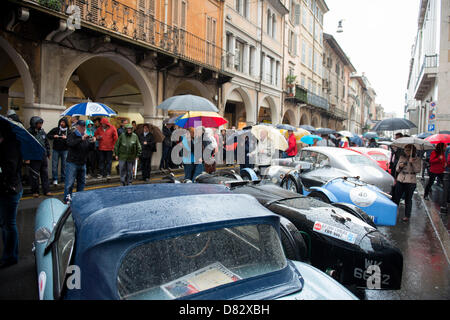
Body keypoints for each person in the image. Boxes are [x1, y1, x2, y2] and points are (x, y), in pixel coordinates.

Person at [0, 125, 23, 268]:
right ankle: (11, 254)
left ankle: (11, 257)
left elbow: (9, 169)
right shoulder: (5, 145)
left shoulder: (11, 147)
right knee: (5, 224)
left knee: (9, 224)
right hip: (5, 189)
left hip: (10, 190)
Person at [64, 120, 96, 203]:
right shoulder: (72, 134)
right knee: (69, 184)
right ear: (77, 127)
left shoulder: (85, 136)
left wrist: (92, 142)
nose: (84, 128)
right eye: (82, 126)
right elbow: (70, 143)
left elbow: (91, 149)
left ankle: (79, 200)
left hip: (82, 163)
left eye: (84, 126)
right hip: (72, 163)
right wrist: (81, 139)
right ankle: (67, 201)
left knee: (81, 184)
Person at [392, 144, 422, 222]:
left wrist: (412, 163)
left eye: (408, 150)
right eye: (405, 150)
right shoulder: (402, 157)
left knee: (408, 199)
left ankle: (407, 215)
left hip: (411, 181)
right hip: (401, 179)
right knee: (396, 197)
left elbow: (417, 170)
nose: (406, 152)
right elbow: (397, 170)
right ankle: (393, 213)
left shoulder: (417, 159)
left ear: (413, 151)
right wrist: (400, 166)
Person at [27, 116, 52, 198]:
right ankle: (35, 191)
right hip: (34, 156)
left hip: (43, 155)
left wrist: (48, 152)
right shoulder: (29, 132)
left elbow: (46, 143)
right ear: (34, 123)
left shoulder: (42, 132)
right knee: (34, 175)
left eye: (41, 123)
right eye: (39, 123)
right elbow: (26, 146)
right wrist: (27, 157)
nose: (40, 125)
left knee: (45, 174)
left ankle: (47, 190)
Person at [48, 117, 69, 185]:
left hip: (65, 150)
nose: (61, 123)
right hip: (56, 150)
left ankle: (63, 178)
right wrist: (54, 136)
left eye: (63, 122)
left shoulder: (68, 131)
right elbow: (48, 135)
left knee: (64, 165)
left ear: (66, 123)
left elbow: (71, 140)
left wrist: (66, 138)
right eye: (61, 122)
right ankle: (55, 179)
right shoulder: (56, 129)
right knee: (54, 165)